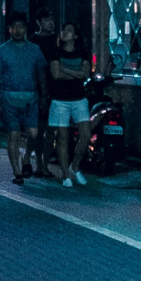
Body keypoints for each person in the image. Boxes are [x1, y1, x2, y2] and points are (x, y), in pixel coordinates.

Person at [0, 11, 49, 185]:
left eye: (21, 27)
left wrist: (44, 95)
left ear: (25, 29)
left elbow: (41, 74)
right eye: (14, 27)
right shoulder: (2, 51)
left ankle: (26, 158)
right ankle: (16, 172)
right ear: (9, 29)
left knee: (34, 133)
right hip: (8, 97)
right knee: (13, 134)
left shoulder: (34, 50)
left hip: (31, 97)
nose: (18, 30)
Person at [49, 20, 92, 187]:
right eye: (63, 30)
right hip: (60, 99)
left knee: (86, 134)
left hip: (79, 98)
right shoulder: (55, 52)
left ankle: (75, 166)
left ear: (75, 36)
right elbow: (55, 75)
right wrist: (77, 73)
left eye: (69, 30)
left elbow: (85, 74)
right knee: (63, 137)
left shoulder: (82, 53)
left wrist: (65, 69)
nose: (65, 33)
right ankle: (66, 174)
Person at [28, 8, 60, 177]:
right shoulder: (33, 41)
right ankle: (38, 163)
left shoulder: (58, 40)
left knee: (51, 129)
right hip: (37, 89)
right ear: (39, 23)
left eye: (51, 19)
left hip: (56, 87)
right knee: (38, 130)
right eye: (46, 20)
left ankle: (45, 164)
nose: (50, 22)